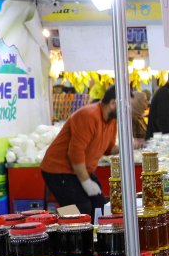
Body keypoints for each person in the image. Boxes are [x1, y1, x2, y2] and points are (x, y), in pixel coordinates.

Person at [40, 85, 120, 215]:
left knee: (99, 205)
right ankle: (69, 233)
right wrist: (86, 182)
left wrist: (129, 146)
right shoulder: (88, 115)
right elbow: (75, 153)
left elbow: (108, 149)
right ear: (112, 103)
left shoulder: (112, 121)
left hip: (80, 169)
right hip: (57, 169)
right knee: (80, 209)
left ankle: (94, 235)